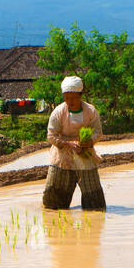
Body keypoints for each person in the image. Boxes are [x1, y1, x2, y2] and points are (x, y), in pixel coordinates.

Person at [42, 75, 106, 211]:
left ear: (80, 95)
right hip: (62, 155)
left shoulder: (91, 111)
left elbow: (98, 131)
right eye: (66, 98)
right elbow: (51, 135)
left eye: (73, 98)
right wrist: (68, 144)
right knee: (54, 201)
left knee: (94, 201)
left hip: (85, 153)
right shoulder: (58, 112)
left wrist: (89, 142)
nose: (69, 102)